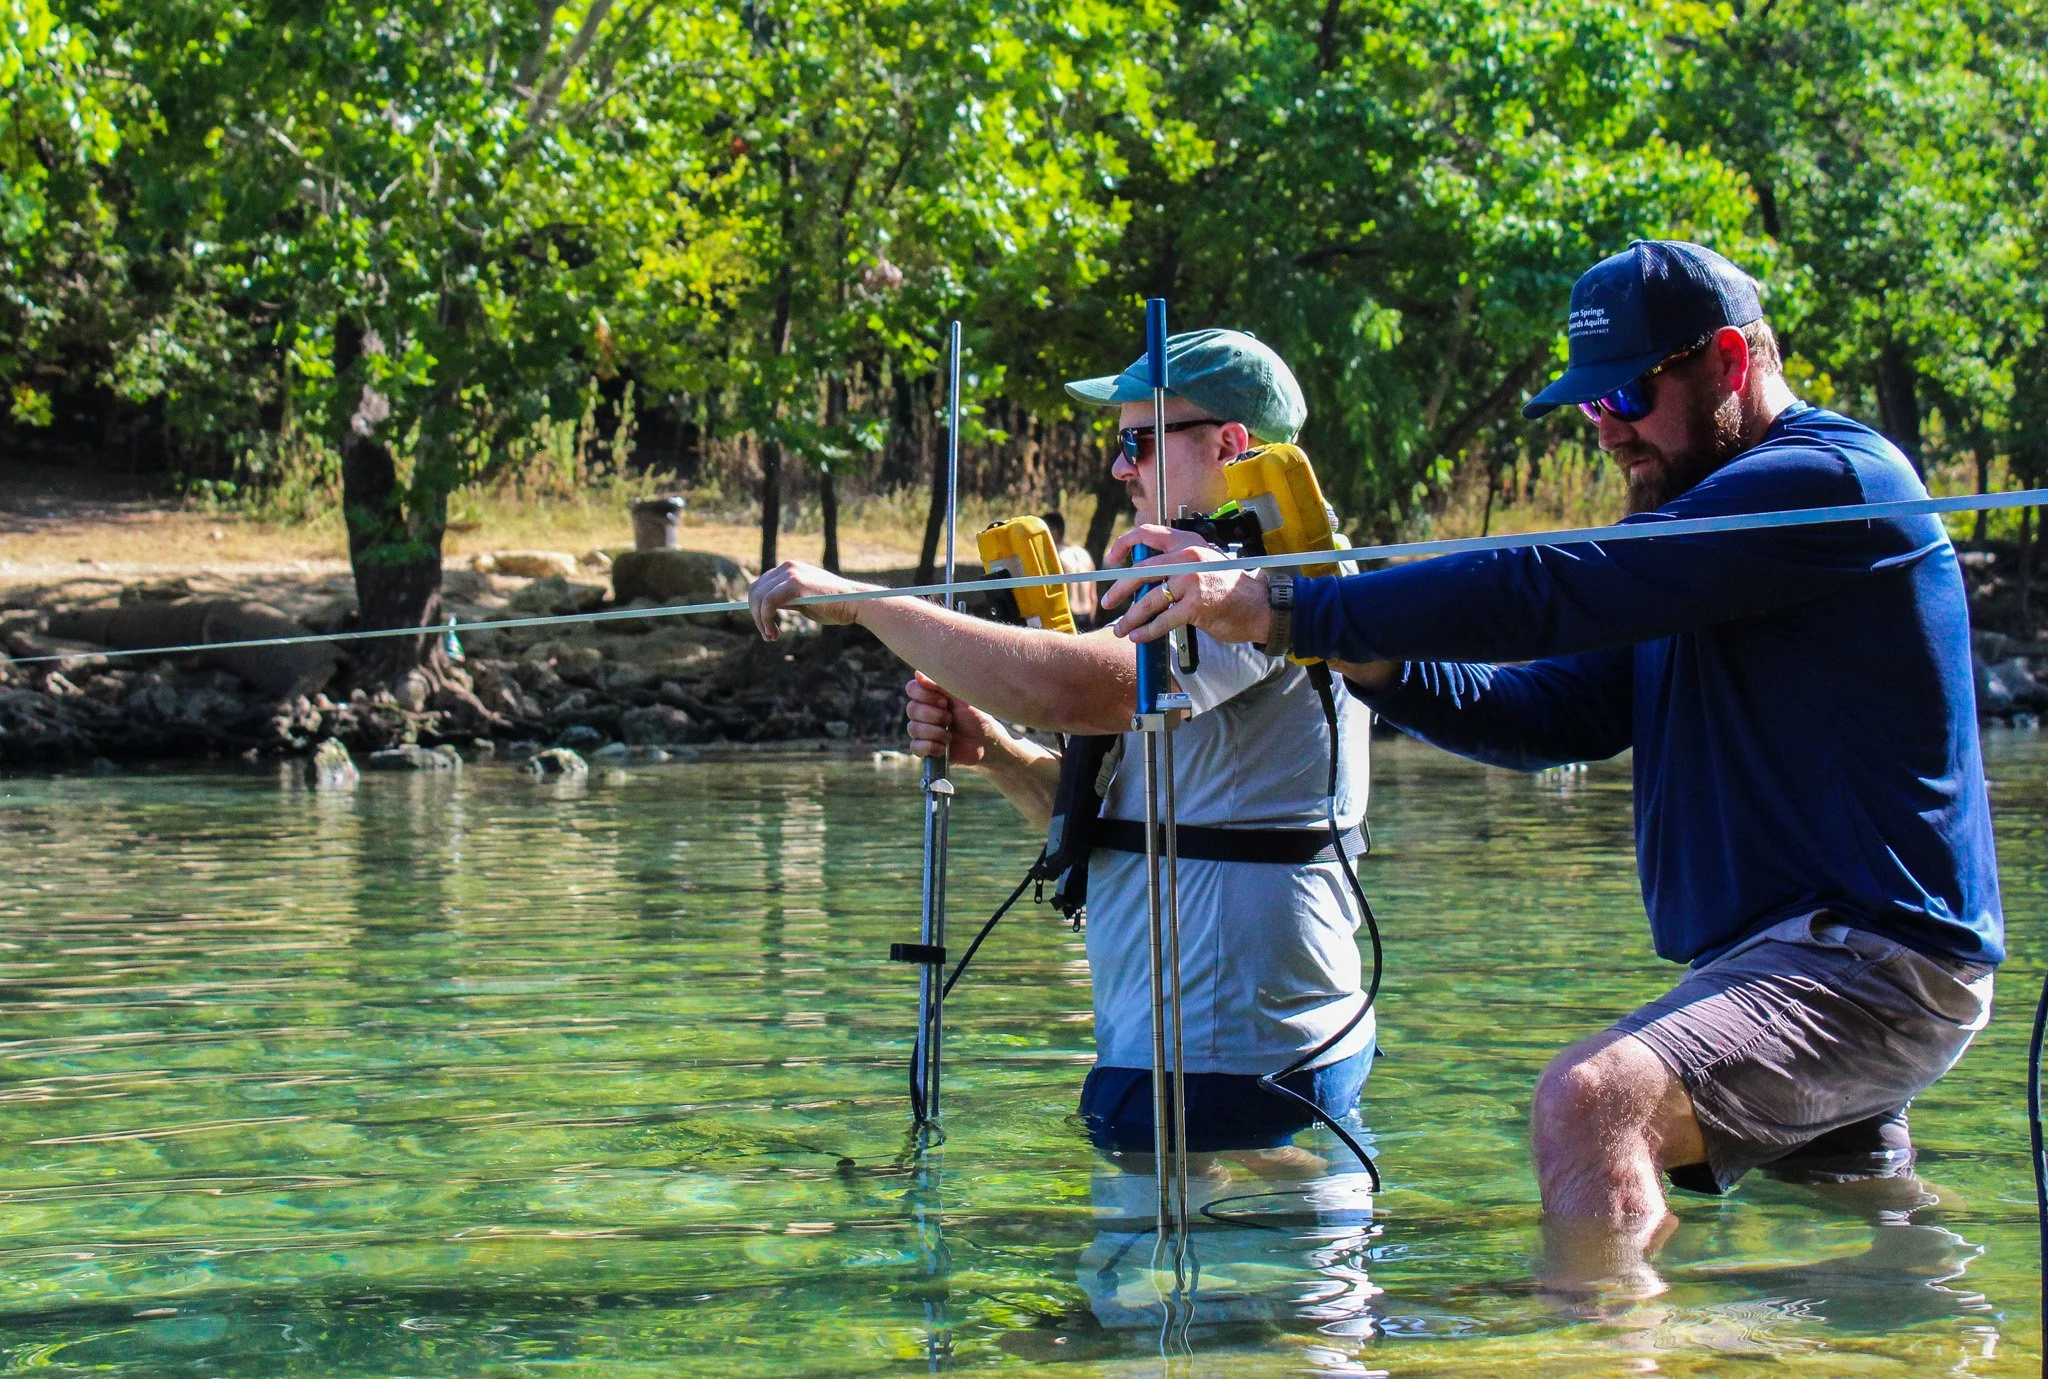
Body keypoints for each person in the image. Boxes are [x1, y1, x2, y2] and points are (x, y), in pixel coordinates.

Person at [1102, 241, 2002, 1285]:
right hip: (1775, 959)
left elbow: (1556, 585)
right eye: (1588, 407)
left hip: (1866, 958)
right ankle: (1948, 1335)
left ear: (1726, 360)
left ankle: (1596, 1345)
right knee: (1875, 1256)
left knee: (1592, 1103)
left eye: (1626, 394)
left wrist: (1292, 604)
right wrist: (1367, 654)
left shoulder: (1830, 483)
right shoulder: (1703, 547)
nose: (1608, 429)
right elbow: (1551, 715)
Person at [748, 329, 1376, 1156]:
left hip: (1219, 1058)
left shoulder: (1247, 582)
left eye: (1137, 443)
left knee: (1175, 1240)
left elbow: (1073, 688)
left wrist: (865, 603)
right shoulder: (1230, 574)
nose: (1119, 468)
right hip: (1231, 1052)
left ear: (1228, 445)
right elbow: (1136, 818)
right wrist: (998, 751)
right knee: (1270, 1223)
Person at [1038, 510, 1099, 626]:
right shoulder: (1083, 554)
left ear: (1055, 532)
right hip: (1087, 614)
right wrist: (1091, 622)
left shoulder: (1054, 555)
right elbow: (1093, 597)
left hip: (1069, 615)